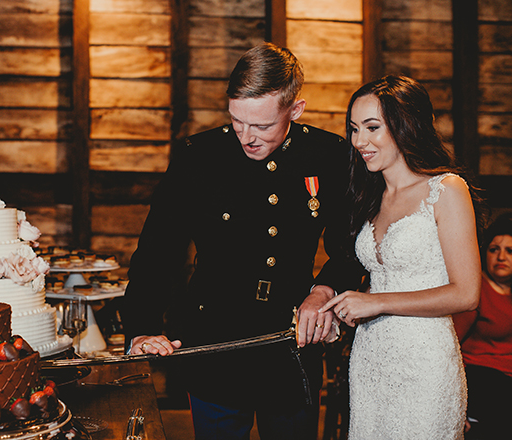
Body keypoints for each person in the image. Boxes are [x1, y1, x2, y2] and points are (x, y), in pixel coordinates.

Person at [121, 42, 364, 439]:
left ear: (295, 110)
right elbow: (157, 252)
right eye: (237, 121)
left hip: (290, 347)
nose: (247, 137)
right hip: (215, 344)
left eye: (263, 126)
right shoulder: (197, 157)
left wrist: (324, 290)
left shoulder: (328, 155)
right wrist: (142, 327)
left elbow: (352, 243)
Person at [319, 75, 483, 439]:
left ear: (405, 124)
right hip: (370, 360)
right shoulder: (369, 196)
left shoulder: (445, 189)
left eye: (372, 127)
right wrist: (340, 312)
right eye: (354, 129)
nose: (359, 141)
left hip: (424, 362)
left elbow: (467, 293)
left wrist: (375, 303)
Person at [453, 212, 512, 439]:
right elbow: (451, 345)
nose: (501, 257)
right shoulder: (475, 291)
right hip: (482, 379)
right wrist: (459, 407)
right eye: (494, 249)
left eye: (510, 251)